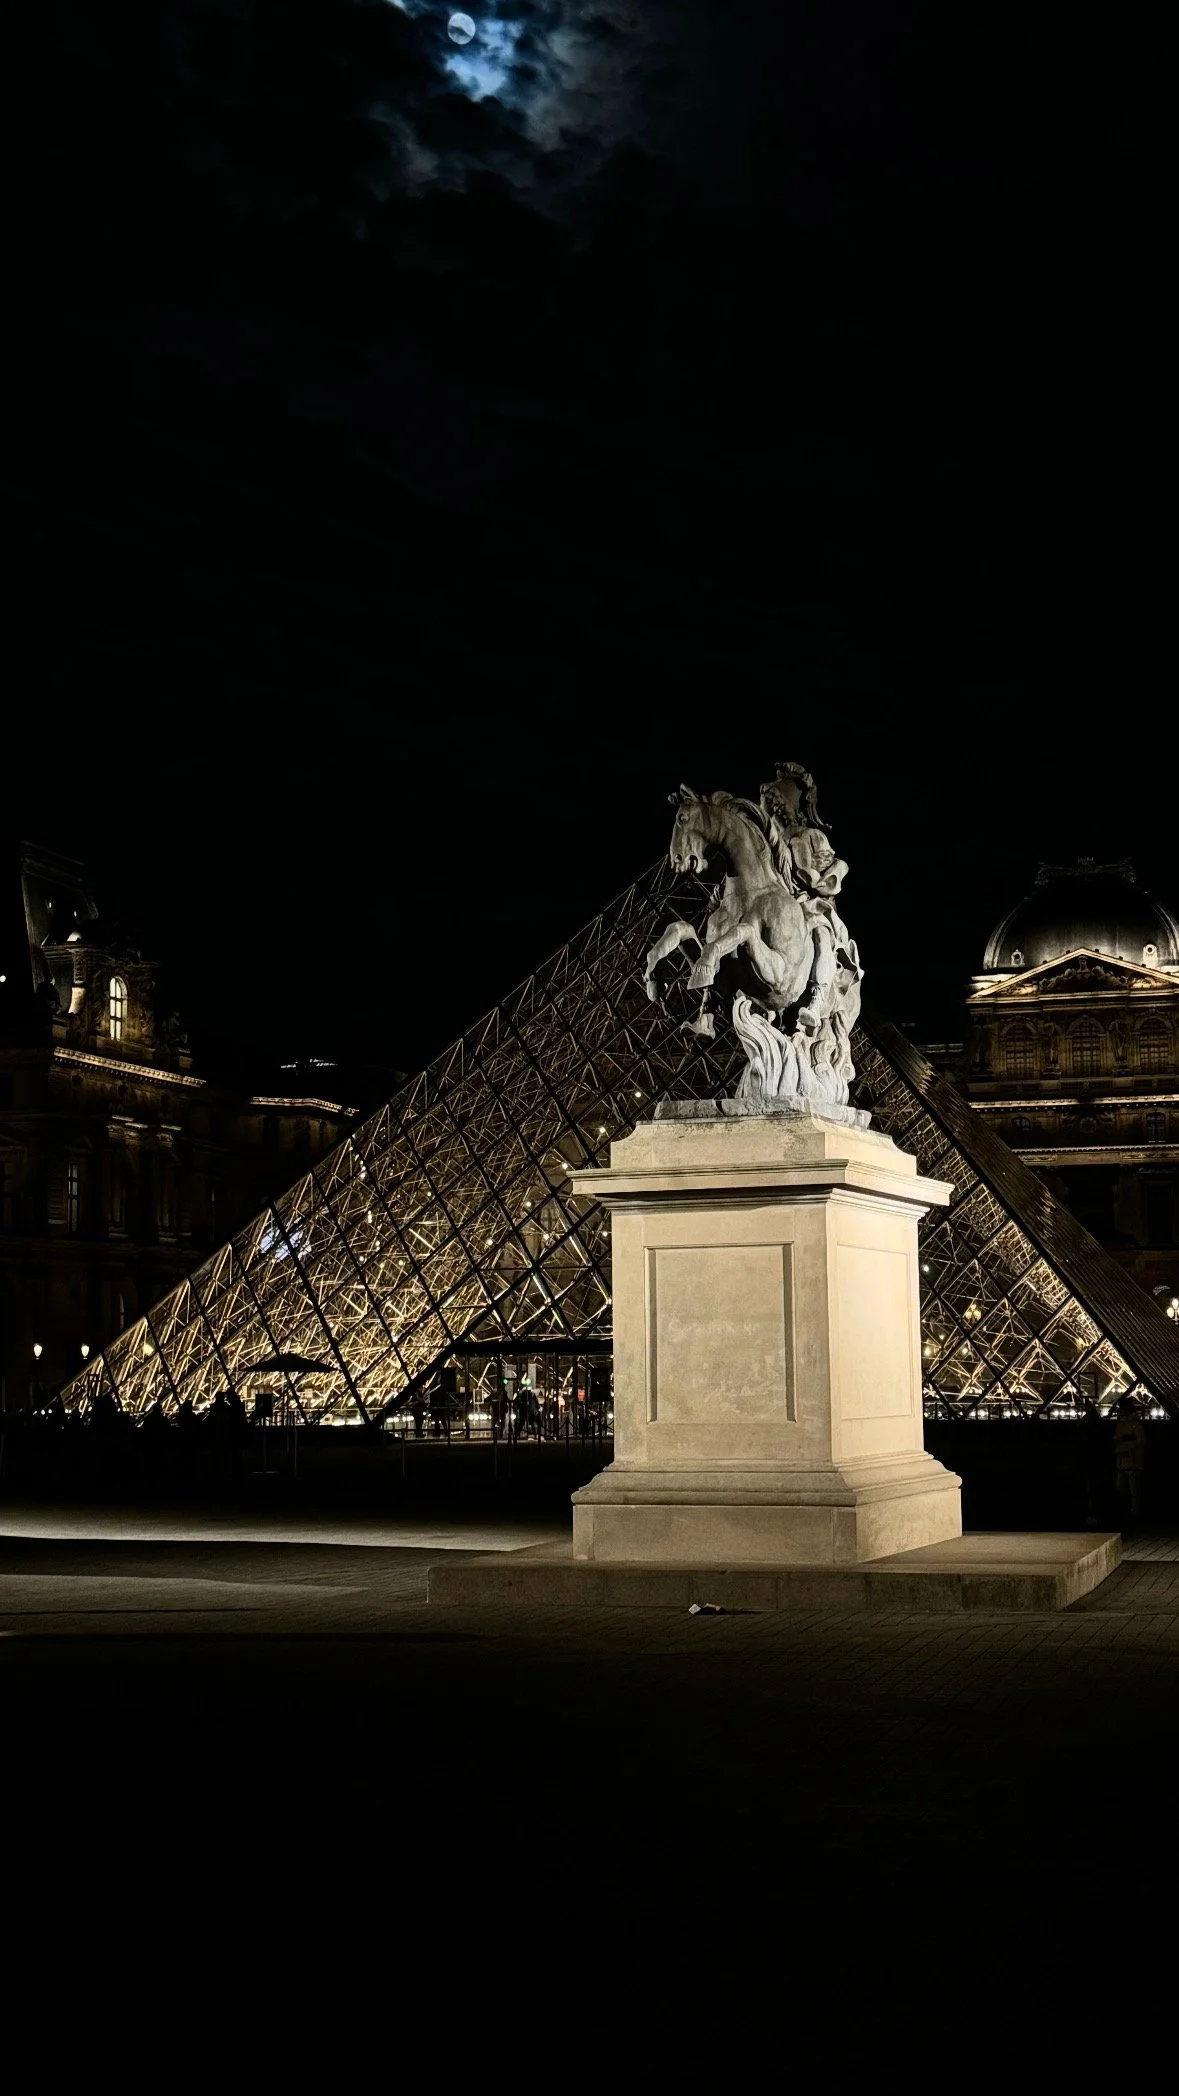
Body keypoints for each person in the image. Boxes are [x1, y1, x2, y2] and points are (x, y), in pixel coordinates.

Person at [1112, 1398, 1147, 1524]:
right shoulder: (1130, 1423)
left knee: (1131, 1490)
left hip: (1130, 1461)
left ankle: (1132, 1513)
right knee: (1128, 1489)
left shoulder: (1130, 1424)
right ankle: (1131, 1512)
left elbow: (1141, 1441)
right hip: (1127, 1461)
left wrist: (1123, 1443)